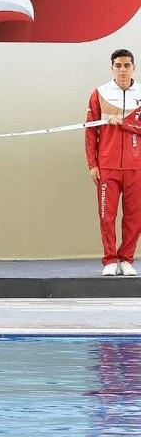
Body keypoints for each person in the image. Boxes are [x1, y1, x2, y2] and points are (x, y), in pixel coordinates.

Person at [86, 48, 141, 276]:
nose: (122, 70)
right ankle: (110, 259)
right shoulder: (99, 93)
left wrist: (124, 123)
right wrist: (93, 164)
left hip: (136, 167)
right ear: (112, 68)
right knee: (106, 215)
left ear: (133, 68)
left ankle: (127, 259)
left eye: (126, 65)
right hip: (107, 166)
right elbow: (90, 133)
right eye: (118, 66)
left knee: (134, 216)